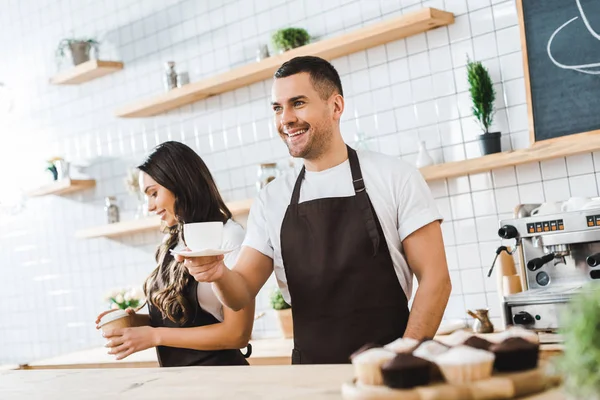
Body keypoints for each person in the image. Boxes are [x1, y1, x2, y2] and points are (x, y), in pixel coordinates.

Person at [176, 56, 452, 364]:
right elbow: (240, 294)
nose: (286, 119)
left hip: (390, 375)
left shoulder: (395, 177)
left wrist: (403, 359)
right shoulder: (271, 199)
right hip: (310, 375)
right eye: (278, 108)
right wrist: (217, 273)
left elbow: (436, 280)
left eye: (298, 103)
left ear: (335, 107)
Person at [95, 141, 255, 367]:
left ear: (180, 184)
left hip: (222, 382)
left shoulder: (229, 235)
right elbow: (178, 321)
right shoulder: (172, 240)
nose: (149, 206)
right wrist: (133, 321)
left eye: (153, 193)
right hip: (181, 384)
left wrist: (154, 335)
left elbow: (237, 333)